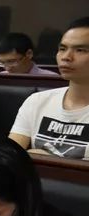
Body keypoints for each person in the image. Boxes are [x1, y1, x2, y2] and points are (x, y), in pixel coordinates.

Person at [9, 18, 89, 159]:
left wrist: (47, 158)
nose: (66, 57)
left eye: (80, 50)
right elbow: (9, 156)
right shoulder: (37, 101)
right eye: (62, 49)